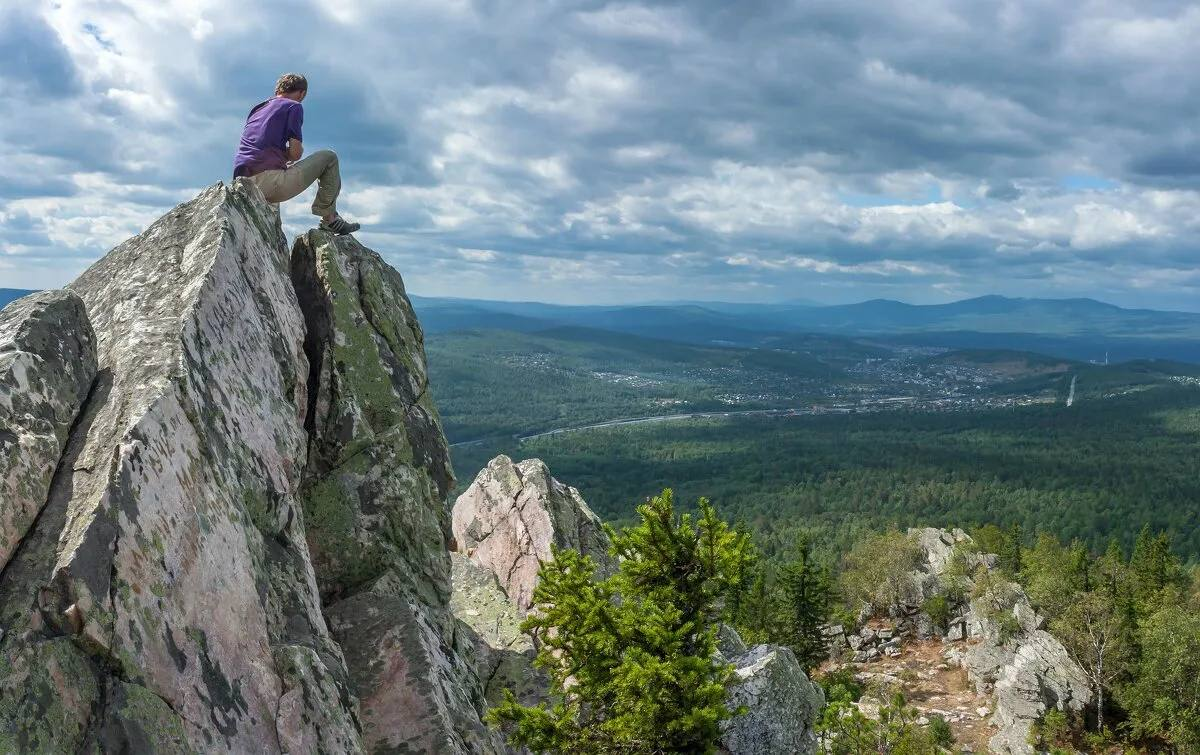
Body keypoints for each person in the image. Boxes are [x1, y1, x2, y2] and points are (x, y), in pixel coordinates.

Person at [233, 73, 360, 235]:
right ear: (302, 93)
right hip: (269, 182)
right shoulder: (293, 106)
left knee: (278, 178)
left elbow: (260, 145)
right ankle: (330, 219)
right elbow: (295, 153)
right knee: (329, 157)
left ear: (278, 90)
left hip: (242, 182)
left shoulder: (258, 108)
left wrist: (281, 157)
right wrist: (290, 155)